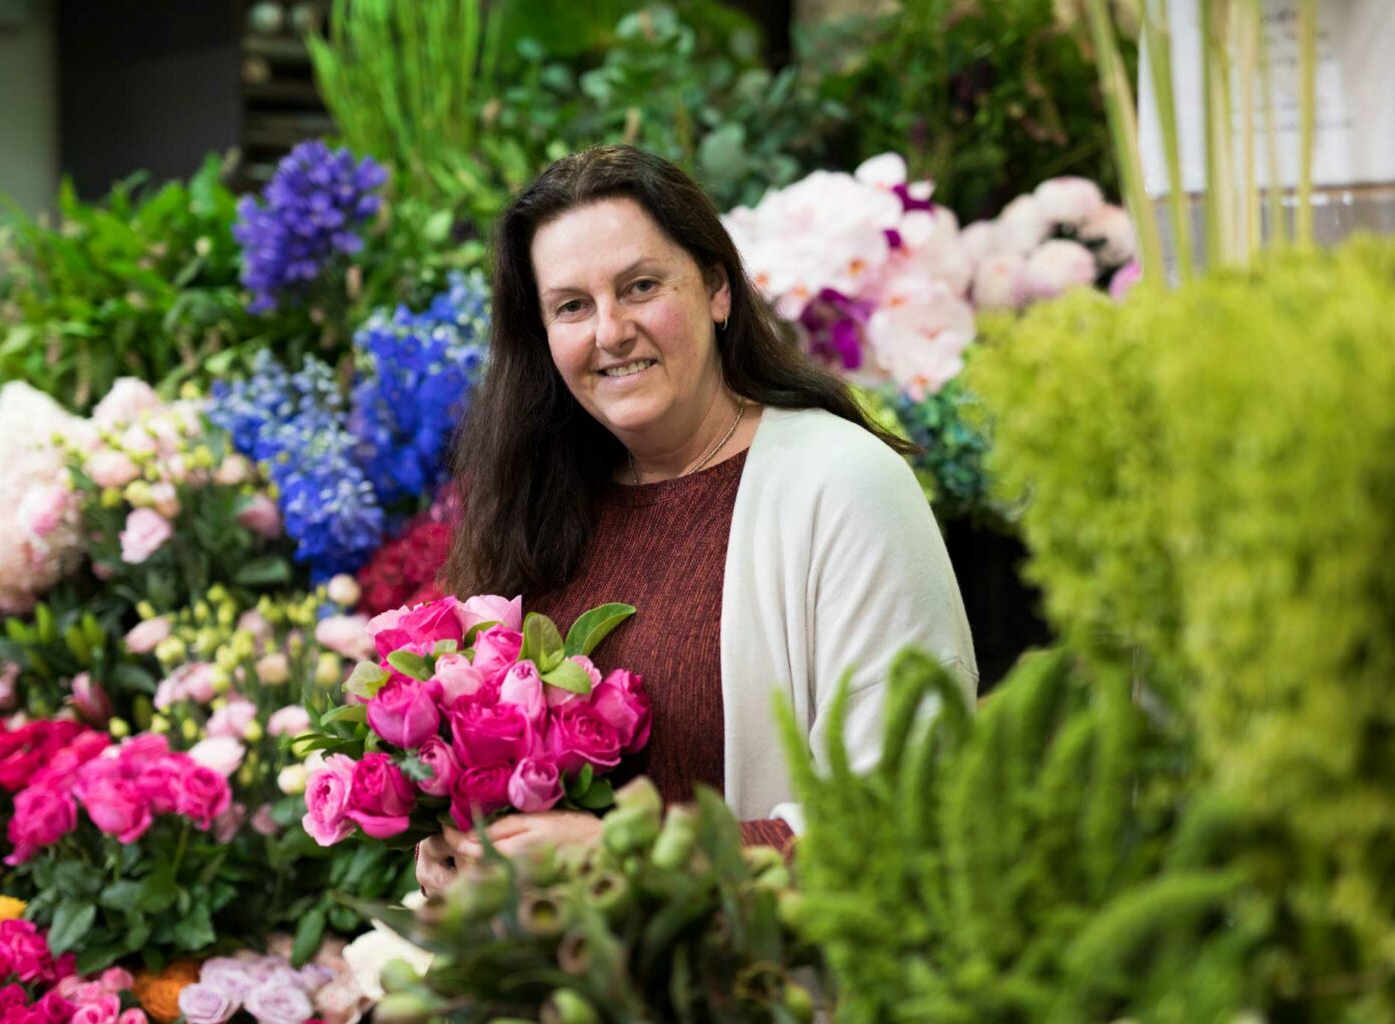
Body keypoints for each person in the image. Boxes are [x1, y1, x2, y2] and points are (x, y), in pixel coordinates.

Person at [417, 145, 976, 893]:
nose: (610, 331)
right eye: (572, 306)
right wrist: (464, 848)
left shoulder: (843, 485)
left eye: (641, 286)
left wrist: (616, 854)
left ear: (717, 289)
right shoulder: (541, 503)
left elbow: (902, 809)